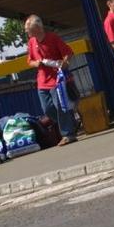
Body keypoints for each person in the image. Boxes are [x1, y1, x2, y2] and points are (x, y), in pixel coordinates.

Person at [24, 15, 78, 146]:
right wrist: (36, 64)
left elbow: (68, 52)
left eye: (28, 29)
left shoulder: (53, 38)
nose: (26, 32)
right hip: (42, 81)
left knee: (60, 106)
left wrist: (65, 62)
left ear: (37, 28)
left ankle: (68, 134)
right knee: (47, 109)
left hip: (56, 79)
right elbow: (29, 60)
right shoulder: (31, 42)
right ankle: (71, 122)